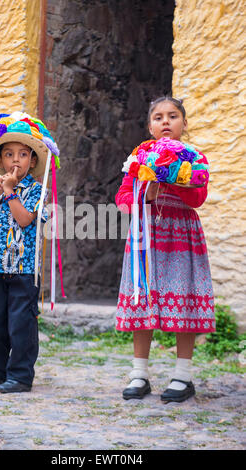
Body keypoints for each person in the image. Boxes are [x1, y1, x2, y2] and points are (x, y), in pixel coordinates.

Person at [115, 96, 215, 403]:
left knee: (182, 298)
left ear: (184, 124)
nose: (166, 121)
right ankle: (139, 373)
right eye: (158, 117)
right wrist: (147, 193)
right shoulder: (140, 157)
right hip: (147, 236)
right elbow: (122, 199)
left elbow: (198, 197)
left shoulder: (193, 157)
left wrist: (177, 179)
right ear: (149, 126)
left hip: (181, 235)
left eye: (173, 116)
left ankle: (182, 376)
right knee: (143, 299)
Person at [0, 112, 59, 393]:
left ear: (32, 161)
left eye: (22, 155)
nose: (15, 160)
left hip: (22, 270)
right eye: (9, 154)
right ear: (0, 161)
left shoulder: (37, 191)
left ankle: (21, 376)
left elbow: (25, 220)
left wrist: (11, 193)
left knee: (20, 324)